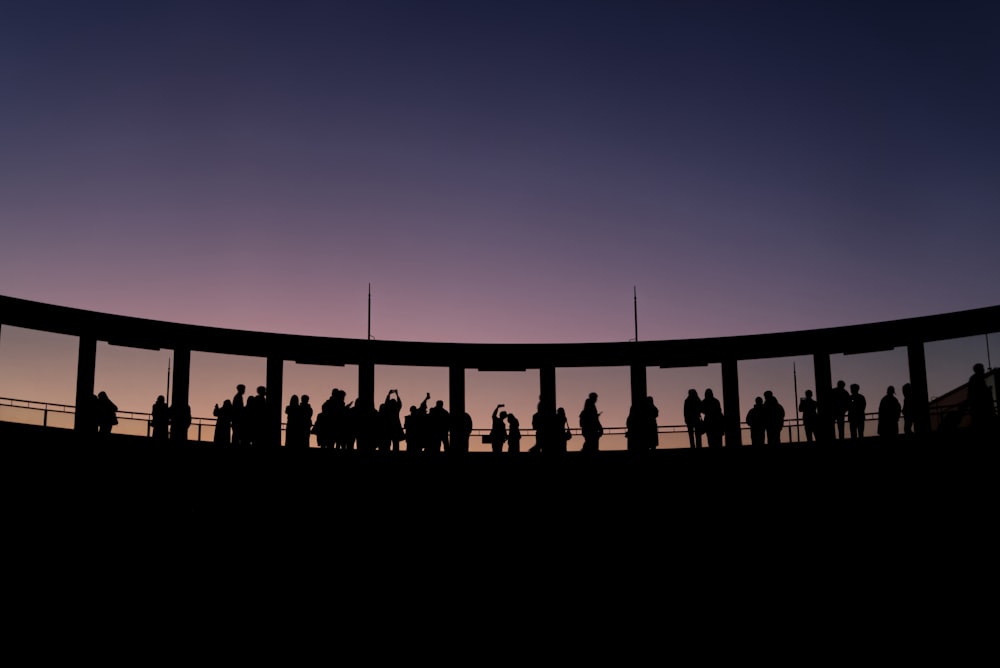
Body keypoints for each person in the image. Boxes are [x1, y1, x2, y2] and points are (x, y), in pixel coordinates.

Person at [967, 363, 996, 437]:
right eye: (982, 368)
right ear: (978, 370)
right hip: (981, 409)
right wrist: (987, 391)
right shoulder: (977, 379)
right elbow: (979, 393)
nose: (983, 370)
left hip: (978, 409)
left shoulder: (975, 378)